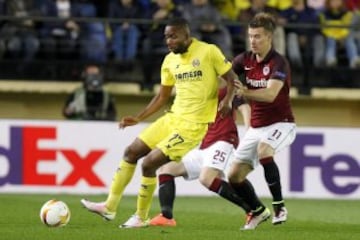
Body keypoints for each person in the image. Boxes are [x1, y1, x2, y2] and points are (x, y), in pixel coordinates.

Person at [80, 17, 238, 228]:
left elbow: (232, 79)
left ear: (186, 35)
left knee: (149, 163)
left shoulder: (208, 51)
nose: (169, 41)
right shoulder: (169, 61)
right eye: (166, 37)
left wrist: (227, 100)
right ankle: (109, 206)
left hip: (193, 126)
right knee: (131, 152)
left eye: (173, 36)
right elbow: (162, 97)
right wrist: (139, 117)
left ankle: (140, 216)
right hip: (172, 118)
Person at [148, 81, 252, 227]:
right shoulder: (199, 90)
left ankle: (251, 209)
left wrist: (249, 131)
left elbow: (245, 107)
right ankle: (166, 217)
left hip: (224, 139)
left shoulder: (226, 87)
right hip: (205, 144)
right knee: (167, 170)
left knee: (207, 178)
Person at [229, 12, 297, 230]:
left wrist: (244, 91)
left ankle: (279, 206)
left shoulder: (279, 63)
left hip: (282, 123)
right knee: (234, 176)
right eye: (250, 36)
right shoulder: (244, 60)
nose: (253, 41)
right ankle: (257, 211)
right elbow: (226, 75)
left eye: (258, 36)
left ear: (269, 37)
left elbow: (270, 95)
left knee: (265, 150)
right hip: (256, 127)